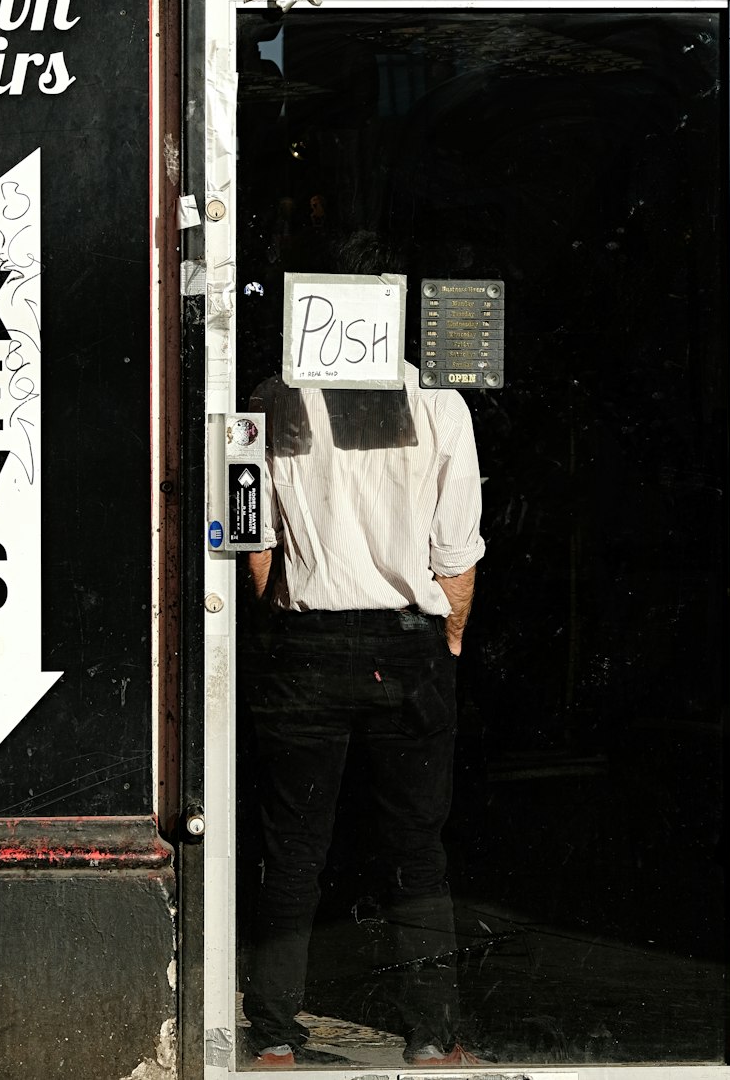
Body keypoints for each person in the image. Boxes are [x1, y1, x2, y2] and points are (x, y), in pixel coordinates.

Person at [241, 353, 485, 1070]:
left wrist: (283, 622)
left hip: (306, 640)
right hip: (405, 640)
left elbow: (257, 545)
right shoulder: (438, 399)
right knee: (416, 849)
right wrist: (451, 636)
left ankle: (274, 1035)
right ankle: (432, 1035)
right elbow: (456, 551)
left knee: (291, 849)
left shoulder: (273, 395)